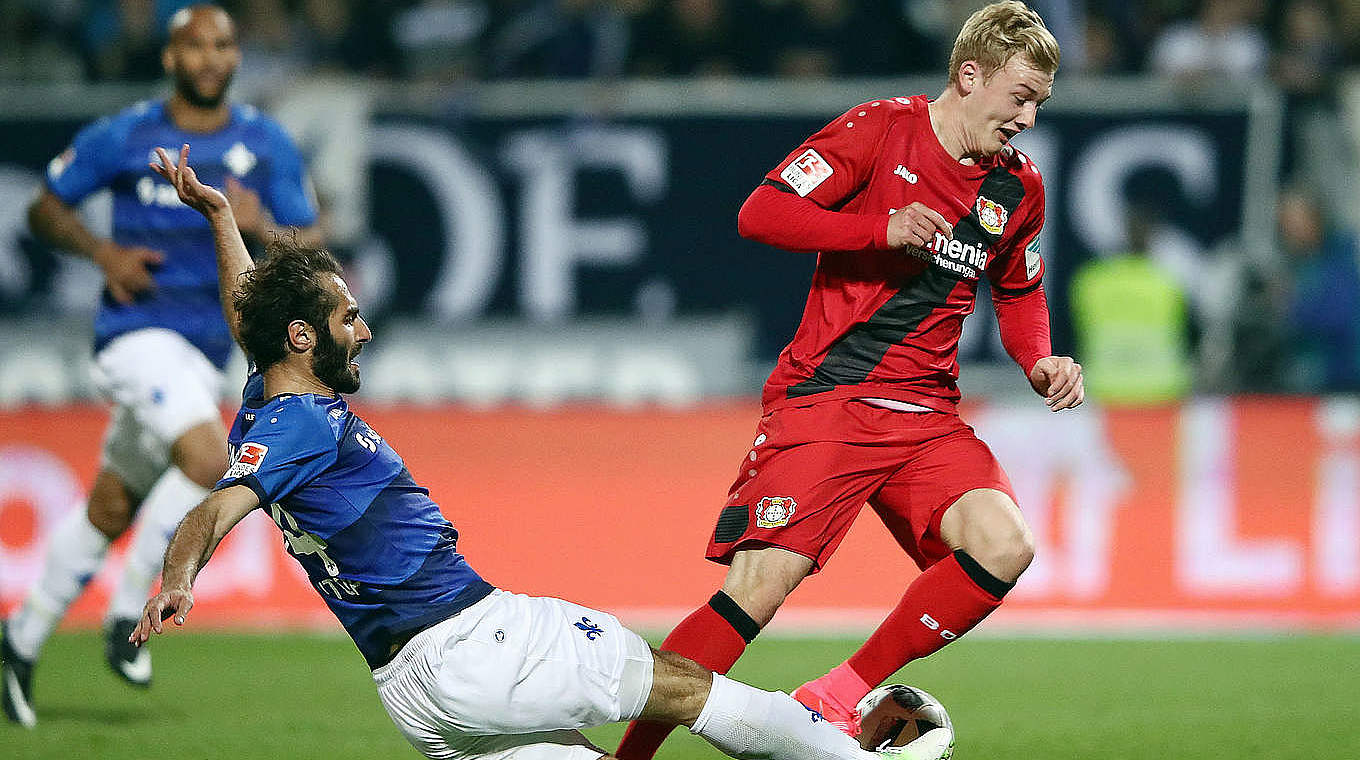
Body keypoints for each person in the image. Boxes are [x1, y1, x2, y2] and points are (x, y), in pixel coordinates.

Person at [123, 144, 945, 760]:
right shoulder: (304, 422)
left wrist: (221, 219)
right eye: (347, 319)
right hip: (476, 638)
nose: (364, 329)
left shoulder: (266, 394)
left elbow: (250, 315)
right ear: (303, 337)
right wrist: (179, 574)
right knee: (688, 690)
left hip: (412, 693)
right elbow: (217, 505)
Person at [616, 3, 1083, 757]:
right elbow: (761, 212)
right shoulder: (879, 129)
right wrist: (878, 227)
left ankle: (837, 695)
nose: (1027, 118)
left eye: (1040, 104)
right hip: (832, 397)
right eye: (1020, 97)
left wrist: (1040, 360)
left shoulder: (1017, 188)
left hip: (928, 416)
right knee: (757, 592)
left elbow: (1020, 289)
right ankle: (630, 757)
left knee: (1005, 544)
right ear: (971, 76)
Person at [2, 4, 320, 729]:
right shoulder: (125, 133)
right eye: (196, 45)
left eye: (224, 45)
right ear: (171, 58)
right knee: (212, 457)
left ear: (236, 57)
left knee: (112, 505)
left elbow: (308, 236)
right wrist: (103, 253)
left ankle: (18, 642)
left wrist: (259, 225)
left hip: (211, 353)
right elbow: (43, 209)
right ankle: (127, 611)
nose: (212, 57)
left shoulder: (264, 142)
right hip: (136, 338)